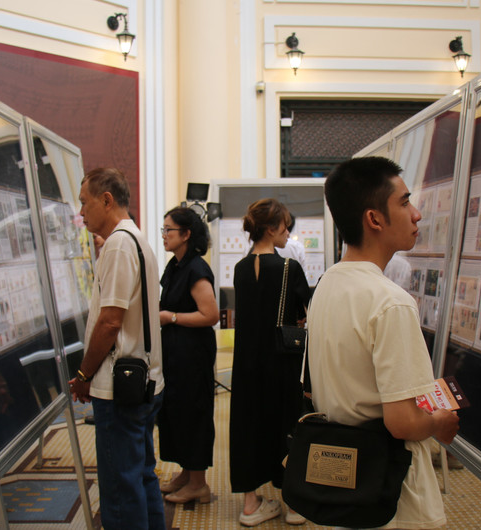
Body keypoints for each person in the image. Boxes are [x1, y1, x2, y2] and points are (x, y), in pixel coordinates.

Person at [307, 157, 460, 529]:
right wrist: (442, 421)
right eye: (405, 203)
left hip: (343, 483)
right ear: (375, 219)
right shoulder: (390, 302)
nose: (417, 214)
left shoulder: (328, 284)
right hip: (391, 493)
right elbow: (403, 422)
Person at [68, 167, 165, 530]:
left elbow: (109, 322)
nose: (81, 213)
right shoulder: (136, 240)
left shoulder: (120, 244)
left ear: (106, 200)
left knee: (121, 487)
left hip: (119, 387)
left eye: (84, 203)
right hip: (142, 380)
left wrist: (82, 374)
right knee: (140, 476)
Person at [229, 198, 310, 527]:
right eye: (285, 225)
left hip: (246, 363)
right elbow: (306, 313)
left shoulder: (239, 269)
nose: (288, 231)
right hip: (282, 361)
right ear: (272, 228)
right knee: (286, 424)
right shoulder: (289, 268)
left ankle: (251, 505)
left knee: (248, 425)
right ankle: (292, 504)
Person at [157, 207, 219, 503]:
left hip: (192, 355)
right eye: (164, 230)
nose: (165, 235)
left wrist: (170, 317)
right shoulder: (176, 265)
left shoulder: (196, 268)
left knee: (193, 412)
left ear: (186, 234)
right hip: (175, 352)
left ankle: (199, 484)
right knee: (175, 412)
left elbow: (211, 315)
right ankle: (186, 473)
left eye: (169, 230)